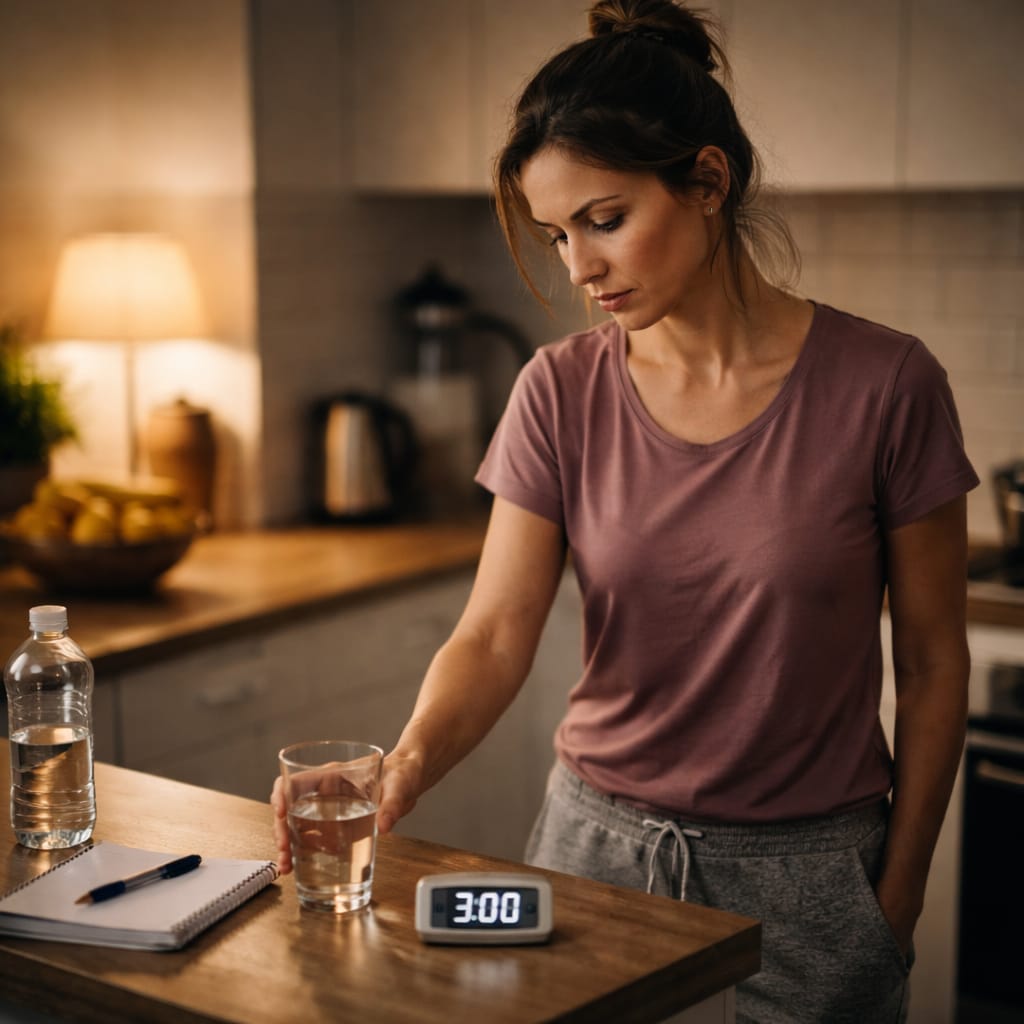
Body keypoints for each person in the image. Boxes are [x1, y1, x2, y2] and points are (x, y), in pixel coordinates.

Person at [272, 2, 978, 1020]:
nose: (576, 267)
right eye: (557, 233)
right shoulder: (557, 389)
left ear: (705, 181)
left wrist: (898, 891)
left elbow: (930, 661)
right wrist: (406, 757)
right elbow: (494, 628)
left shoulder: (887, 384)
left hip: (814, 879)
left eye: (603, 220)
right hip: (593, 858)